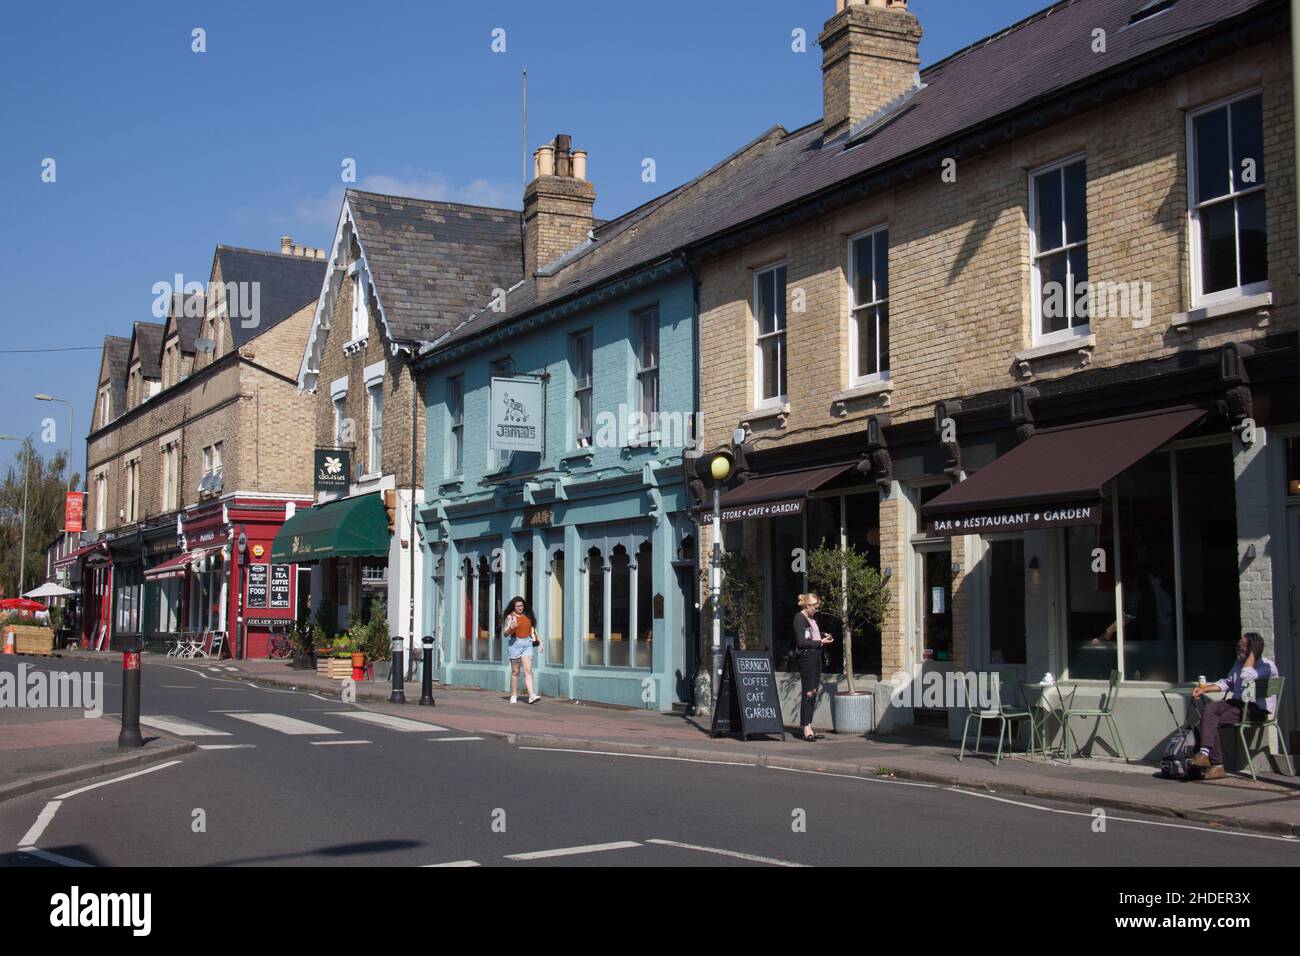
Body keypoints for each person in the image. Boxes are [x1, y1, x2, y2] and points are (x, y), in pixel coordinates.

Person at [1191, 632, 1278, 780]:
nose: (1238, 650)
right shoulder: (1239, 663)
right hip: (1238, 703)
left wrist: (1253, 655)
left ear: (1252, 649)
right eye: (1237, 646)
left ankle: (1217, 766)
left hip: (1255, 708)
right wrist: (1204, 689)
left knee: (1211, 721)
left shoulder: (1267, 666)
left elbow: (1246, 676)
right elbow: (1227, 682)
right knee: (1210, 709)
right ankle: (1204, 754)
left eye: (1241, 647)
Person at [793, 593, 833, 742]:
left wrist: (824, 635)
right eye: (815, 607)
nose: (816, 610)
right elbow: (802, 642)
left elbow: (812, 636)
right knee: (808, 692)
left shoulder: (811, 619)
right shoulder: (799, 618)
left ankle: (809, 724)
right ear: (808, 606)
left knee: (814, 691)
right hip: (807, 658)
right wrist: (820, 642)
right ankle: (805, 728)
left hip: (816, 656)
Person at [503, 596, 542, 704]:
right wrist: (511, 628)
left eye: (521, 605)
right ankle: (514, 694)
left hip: (527, 644)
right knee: (515, 671)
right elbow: (505, 633)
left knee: (528, 670)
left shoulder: (527, 615)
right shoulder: (510, 617)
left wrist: (540, 641)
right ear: (513, 607)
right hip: (515, 644)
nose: (520, 608)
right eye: (517, 606)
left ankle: (531, 695)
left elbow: (532, 629)